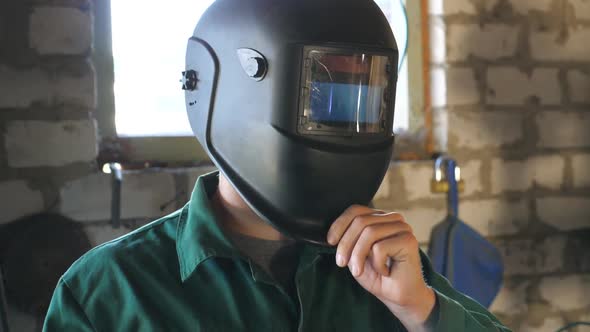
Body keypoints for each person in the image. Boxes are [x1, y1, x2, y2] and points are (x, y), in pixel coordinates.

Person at [44, 0, 511, 331]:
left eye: (361, 98)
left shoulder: (389, 268)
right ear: (223, 93)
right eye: (321, 96)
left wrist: (424, 312)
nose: (344, 123)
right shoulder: (109, 291)